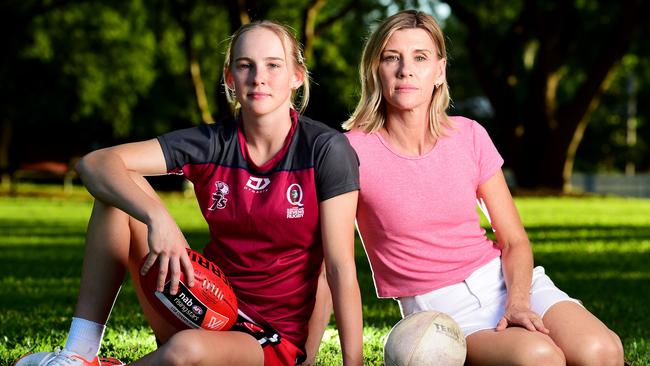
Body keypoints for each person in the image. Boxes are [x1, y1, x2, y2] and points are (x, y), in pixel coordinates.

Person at [16, 20, 363, 366]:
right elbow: (95, 164)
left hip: (268, 339)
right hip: (204, 302)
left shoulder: (325, 149)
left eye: (274, 65)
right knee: (117, 191)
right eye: (246, 65)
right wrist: (157, 217)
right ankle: (79, 353)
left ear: (296, 76)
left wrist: (353, 363)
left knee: (186, 352)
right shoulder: (213, 142)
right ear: (230, 78)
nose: (259, 77)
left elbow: (339, 267)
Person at [343, 10, 625, 365]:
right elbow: (334, 261)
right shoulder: (351, 151)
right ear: (375, 68)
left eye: (420, 57)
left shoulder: (469, 135)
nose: (406, 69)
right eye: (391, 57)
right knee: (539, 357)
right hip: (440, 307)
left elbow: (514, 240)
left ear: (439, 71)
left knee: (603, 351)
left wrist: (518, 302)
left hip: (506, 282)